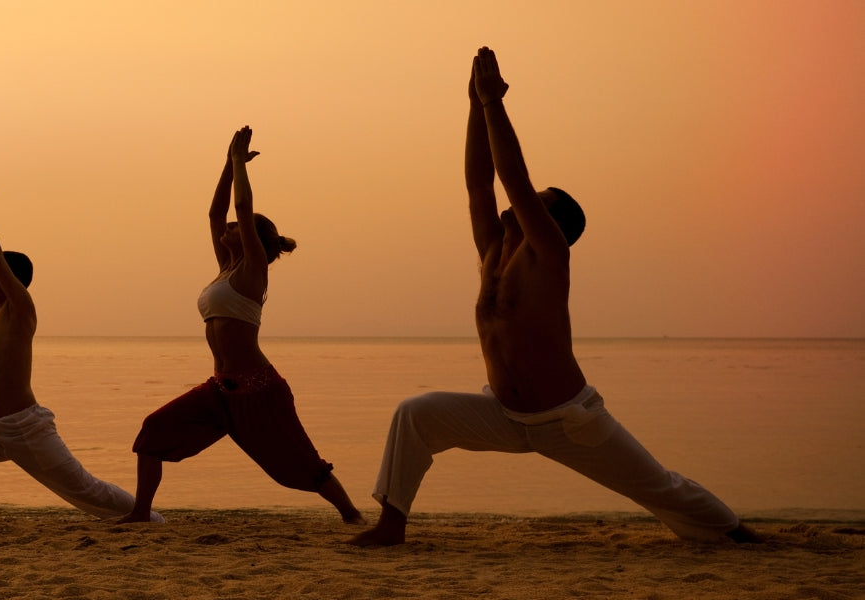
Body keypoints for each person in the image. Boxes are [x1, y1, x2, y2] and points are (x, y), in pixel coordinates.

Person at [349, 48, 756, 546]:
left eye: (535, 204)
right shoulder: (495, 253)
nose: (518, 204)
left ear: (550, 224)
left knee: (659, 487)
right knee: (415, 413)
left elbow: (511, 180)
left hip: (568, 420)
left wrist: (495, 102)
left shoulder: (549, 254)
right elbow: (479, 184)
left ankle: (735, 532)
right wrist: (474, 107)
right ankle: (391, 527)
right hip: (503, 414)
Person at [119, 128, 363, 524]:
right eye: (229, 227)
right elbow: (215, 214)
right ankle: (141, 513)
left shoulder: (253, 269)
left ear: (252, 239)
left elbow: (243, 210)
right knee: (154, 431)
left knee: (299, 464)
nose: (227, 227)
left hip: (260, 391)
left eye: (236, 228)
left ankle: (351, 514)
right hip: (219, 390)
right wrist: (226, 164)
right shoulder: (224, 269)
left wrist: (239, 164)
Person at [0, 172, 160, 523]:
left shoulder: (20, 310)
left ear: (10, 278)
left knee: (85, 489)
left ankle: (148, 517)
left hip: (25, 429)